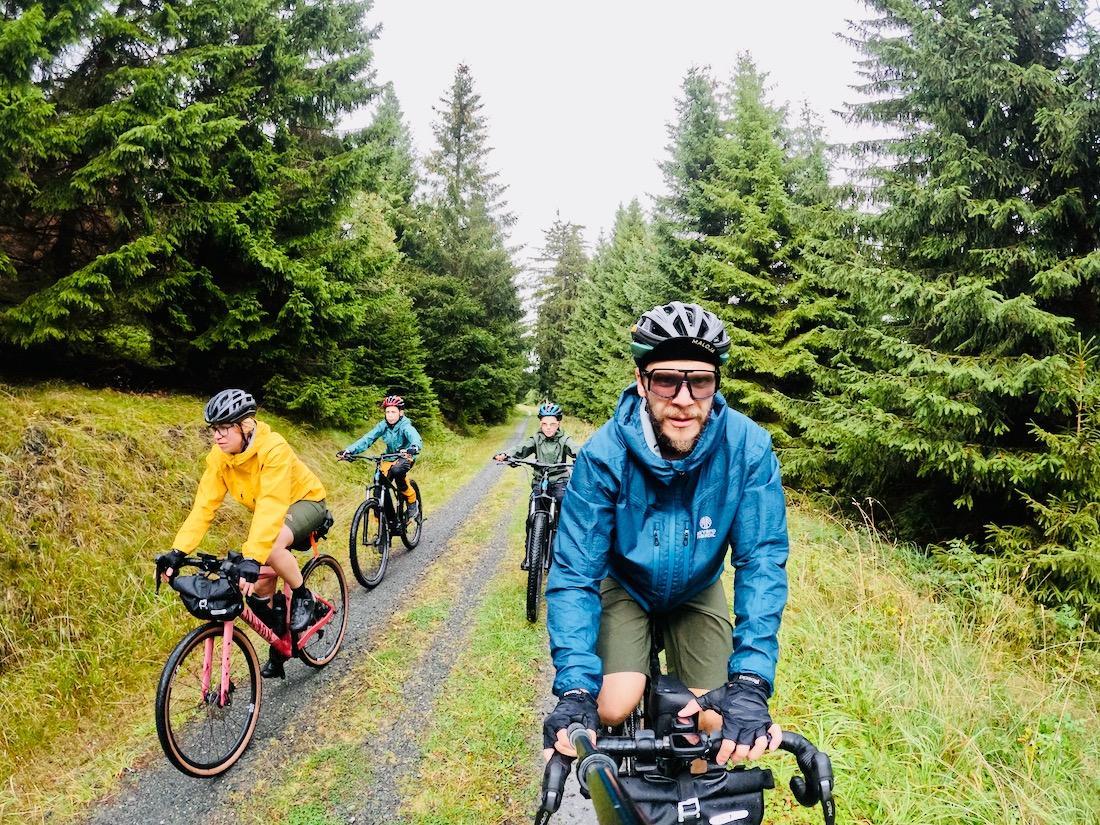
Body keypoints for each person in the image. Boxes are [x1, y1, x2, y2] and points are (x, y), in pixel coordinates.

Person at [542, 301, 789, 769]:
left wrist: (752, 681)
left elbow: (762, 561)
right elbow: (575, 574)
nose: (683, 398)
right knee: (612, 704)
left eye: (699, 381)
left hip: (697, 585)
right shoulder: (602, 455)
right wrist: (575, 687)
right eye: (665, 380)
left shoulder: (748, 446)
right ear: (641, 381)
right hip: (627, 583)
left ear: (715, 384)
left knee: (710, 723)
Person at [167, 388, 331, 679]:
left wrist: (252, 556)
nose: (217, 436)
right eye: (213, 429)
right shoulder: (220, 458)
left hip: (305, 502)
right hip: (273, 514)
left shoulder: (273, 448)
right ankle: (280, 642)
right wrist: (178, 551)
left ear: (246, 425)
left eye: (224, 428)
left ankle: (304, 595)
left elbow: (271, 504)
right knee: (259, 591)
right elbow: (204, 506)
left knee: (266, 549)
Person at [494, 402, 578, 567]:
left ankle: (564, 553)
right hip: (540, 481)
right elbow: (522, 448)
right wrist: (507, 454)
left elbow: (574, 447)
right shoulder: (536, 439)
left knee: (565, 513)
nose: (548, 427)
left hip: (559, 481)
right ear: (540, 423)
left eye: (552, 424)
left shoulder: (564, 439)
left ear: (559, 423)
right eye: (545, 424)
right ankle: (530, 554)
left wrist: (581, 454)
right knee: (532, 516)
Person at [337, 395, 423, 524]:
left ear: (401, 412)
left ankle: (411, 501)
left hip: (405, 456)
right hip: (389, 457)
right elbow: (368, 438)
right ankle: (389, 520)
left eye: (393, 412)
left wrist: (413, 447)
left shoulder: (405, 425)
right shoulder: (383, 425)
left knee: (397, 470)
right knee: (379, 484)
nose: (390, 415)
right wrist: (349, 451)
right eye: (387, 412)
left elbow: (415, 437)